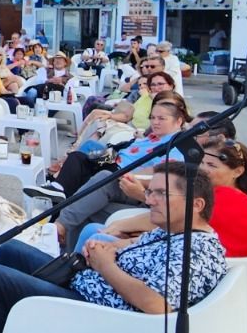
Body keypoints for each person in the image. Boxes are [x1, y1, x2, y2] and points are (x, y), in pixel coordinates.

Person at [0, 161, 228, 333]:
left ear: (196, 204)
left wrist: (106, 265)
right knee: (10, 249)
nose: (149, 200)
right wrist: (108, 247)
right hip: (87, 285)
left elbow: (155, 303)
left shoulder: (196, 251)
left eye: (161, 194)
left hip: (96, 314)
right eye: (150, 192)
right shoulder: (175, 230)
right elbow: (134, 248)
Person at [87, 133, 247, 257]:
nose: (203, 169)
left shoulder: (227, 197)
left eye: (212, 166)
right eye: (202, 163)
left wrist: (123, 227)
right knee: (96, 226)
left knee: (95, 234)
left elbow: (173, 218)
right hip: (184, 252)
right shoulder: (221, 194)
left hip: (198, 265)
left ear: (237, 171)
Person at [46, 91, 191, 246]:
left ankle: (57, 226)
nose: (155, 122)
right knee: (80, 161)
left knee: (101, 178)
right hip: (118, 170)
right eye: (153, 118)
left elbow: (158, 177)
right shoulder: (154, 136)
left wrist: (131, 178)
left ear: (178, 121)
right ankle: (62, 240)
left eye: (162, 118)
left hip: (133, 184)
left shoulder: (176, 145)